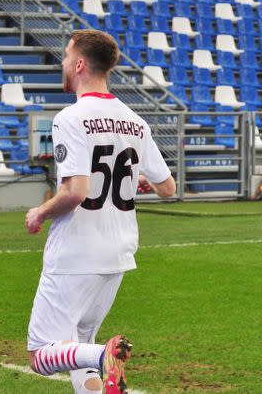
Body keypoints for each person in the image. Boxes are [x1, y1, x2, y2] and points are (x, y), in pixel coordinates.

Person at [24, 29, 176, 394]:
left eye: (65, 56)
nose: (62, 63)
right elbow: (167, 188)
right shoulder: (135, 121)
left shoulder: (70, 118)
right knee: (77, 341)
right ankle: (100, 359)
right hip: (118, 251)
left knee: (41, 353)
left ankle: (105, 354)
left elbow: (75, 192)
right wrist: (133, 181)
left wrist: (41, 212)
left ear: (79, 64)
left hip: (77, 251)